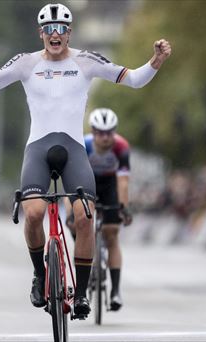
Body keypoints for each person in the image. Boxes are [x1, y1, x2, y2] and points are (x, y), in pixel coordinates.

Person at [0, 3, 171, 318]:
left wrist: (156, 61)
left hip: (73, 150)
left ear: (70, 33)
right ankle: (40, 275)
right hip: (38, 149)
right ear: (41, 33)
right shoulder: (25, 64)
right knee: (33, 214)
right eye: (49, 29)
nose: (55, 35)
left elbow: (134, 79)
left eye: (61, 29)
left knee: (84, 217)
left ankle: (81, 294)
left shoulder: (85, 61)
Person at [66, 108, 133, 311]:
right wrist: (70, 212)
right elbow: (71, 183)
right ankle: (83, 255)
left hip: (110, 185)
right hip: (87, 182)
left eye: (109, 132)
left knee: (112, 233)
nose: (105, 138)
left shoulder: (121, 147)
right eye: (100, 133)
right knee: (78, 224)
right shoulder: (84, 146)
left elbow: (123, 182)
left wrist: (124, 208)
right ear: (93, 132)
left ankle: (115, 291)